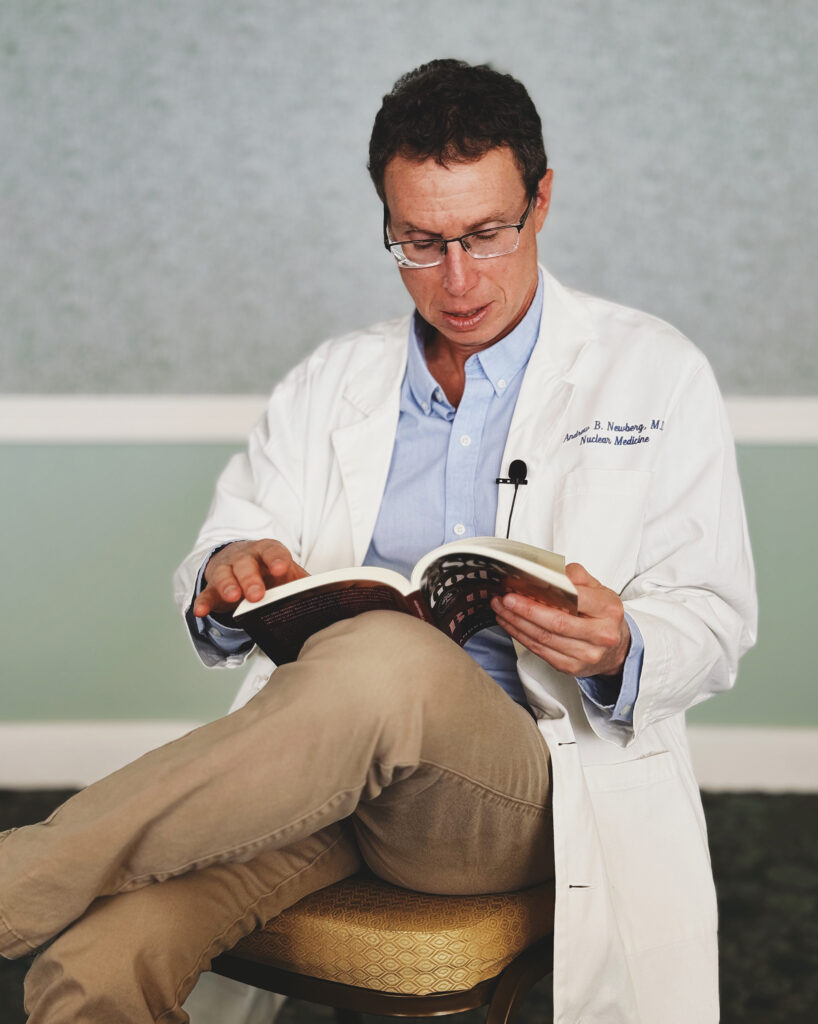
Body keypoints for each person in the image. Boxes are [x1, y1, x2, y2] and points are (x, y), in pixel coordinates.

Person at [0, 60, 756, 1023]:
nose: (457, 277)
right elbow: (235, 534)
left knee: (384, 655)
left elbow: (715, 617)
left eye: (486, 234)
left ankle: (17, 880)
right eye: (419, 242)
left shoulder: (654, 372)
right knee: (96, 963)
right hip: (322, 776)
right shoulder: (333, 379)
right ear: (387, 222)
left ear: (543, 198)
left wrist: (623, 647)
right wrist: (229, 569)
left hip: (517, 795)